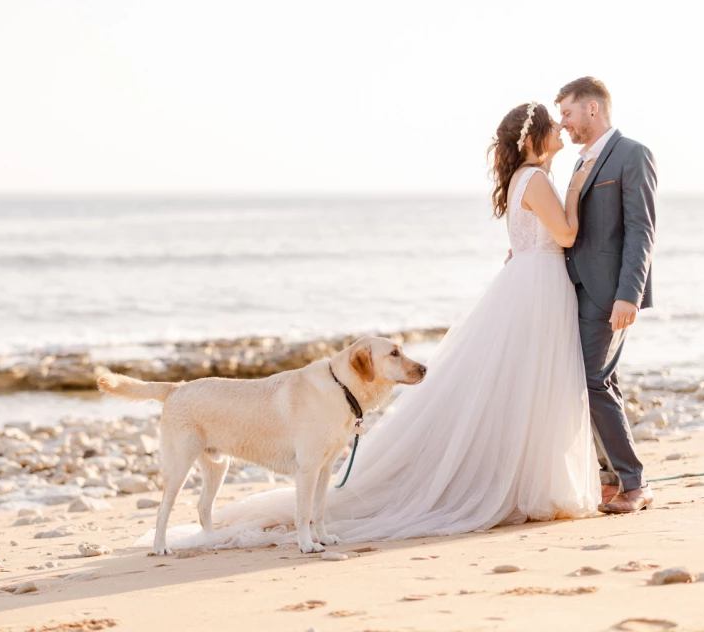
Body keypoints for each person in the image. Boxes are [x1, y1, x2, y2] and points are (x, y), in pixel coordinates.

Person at [143, 100, 601, 550]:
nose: (562, 127)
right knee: (540, 386)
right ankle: (535, 486)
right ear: (536, 136)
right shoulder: (538, 177)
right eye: (555, 123)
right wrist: (578, 189)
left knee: (531, 387)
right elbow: (564, 235)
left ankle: (526, 484)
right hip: (538, 284)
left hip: (530, 281)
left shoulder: (523, 178)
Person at [554, 76, 657, 513]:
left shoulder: (633, 154)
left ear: (592, 109)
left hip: (610, 291)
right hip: (574, 288)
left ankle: (634, 483)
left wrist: (629, 295)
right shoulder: (579, 163)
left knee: (594, 381)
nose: (562, 124)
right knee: (593, 381)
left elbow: (641, 229)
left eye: (568, 113)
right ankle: (614, 479)